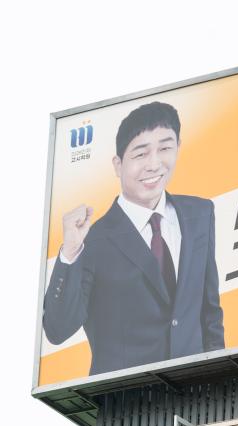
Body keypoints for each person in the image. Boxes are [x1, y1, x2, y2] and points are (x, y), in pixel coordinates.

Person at [43, 101, 224, 377]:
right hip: (126, 405)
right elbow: (57, 329)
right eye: (140, 154)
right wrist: (69, 252)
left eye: (165, 148)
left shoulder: (200, 213)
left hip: (194, 396)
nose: (154, 164)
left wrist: (221, 380)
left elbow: (209, 312)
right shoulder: (93, 239)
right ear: (118, 165)